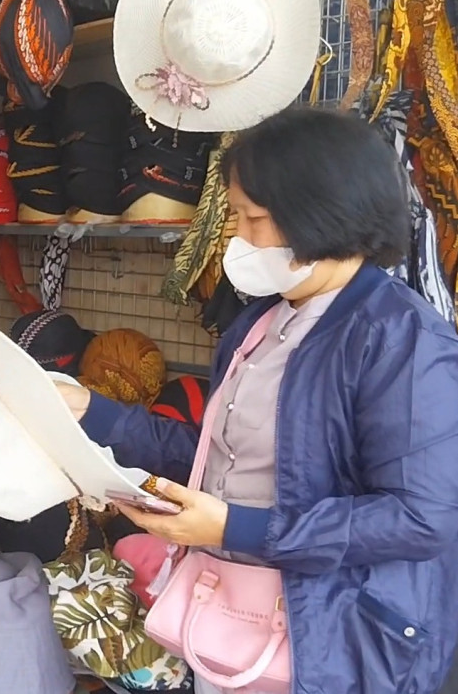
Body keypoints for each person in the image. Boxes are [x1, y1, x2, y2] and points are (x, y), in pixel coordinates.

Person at [57, 107, 458, 694]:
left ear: (320, 213)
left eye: (254, 218)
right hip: (233, 621)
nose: (237, 236)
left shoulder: (401, 340)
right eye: (236, 215)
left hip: (338, 647)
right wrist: (91, 411)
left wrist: (235, 527)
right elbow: (219, 456)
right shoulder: (261, 326)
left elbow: (421, 518)